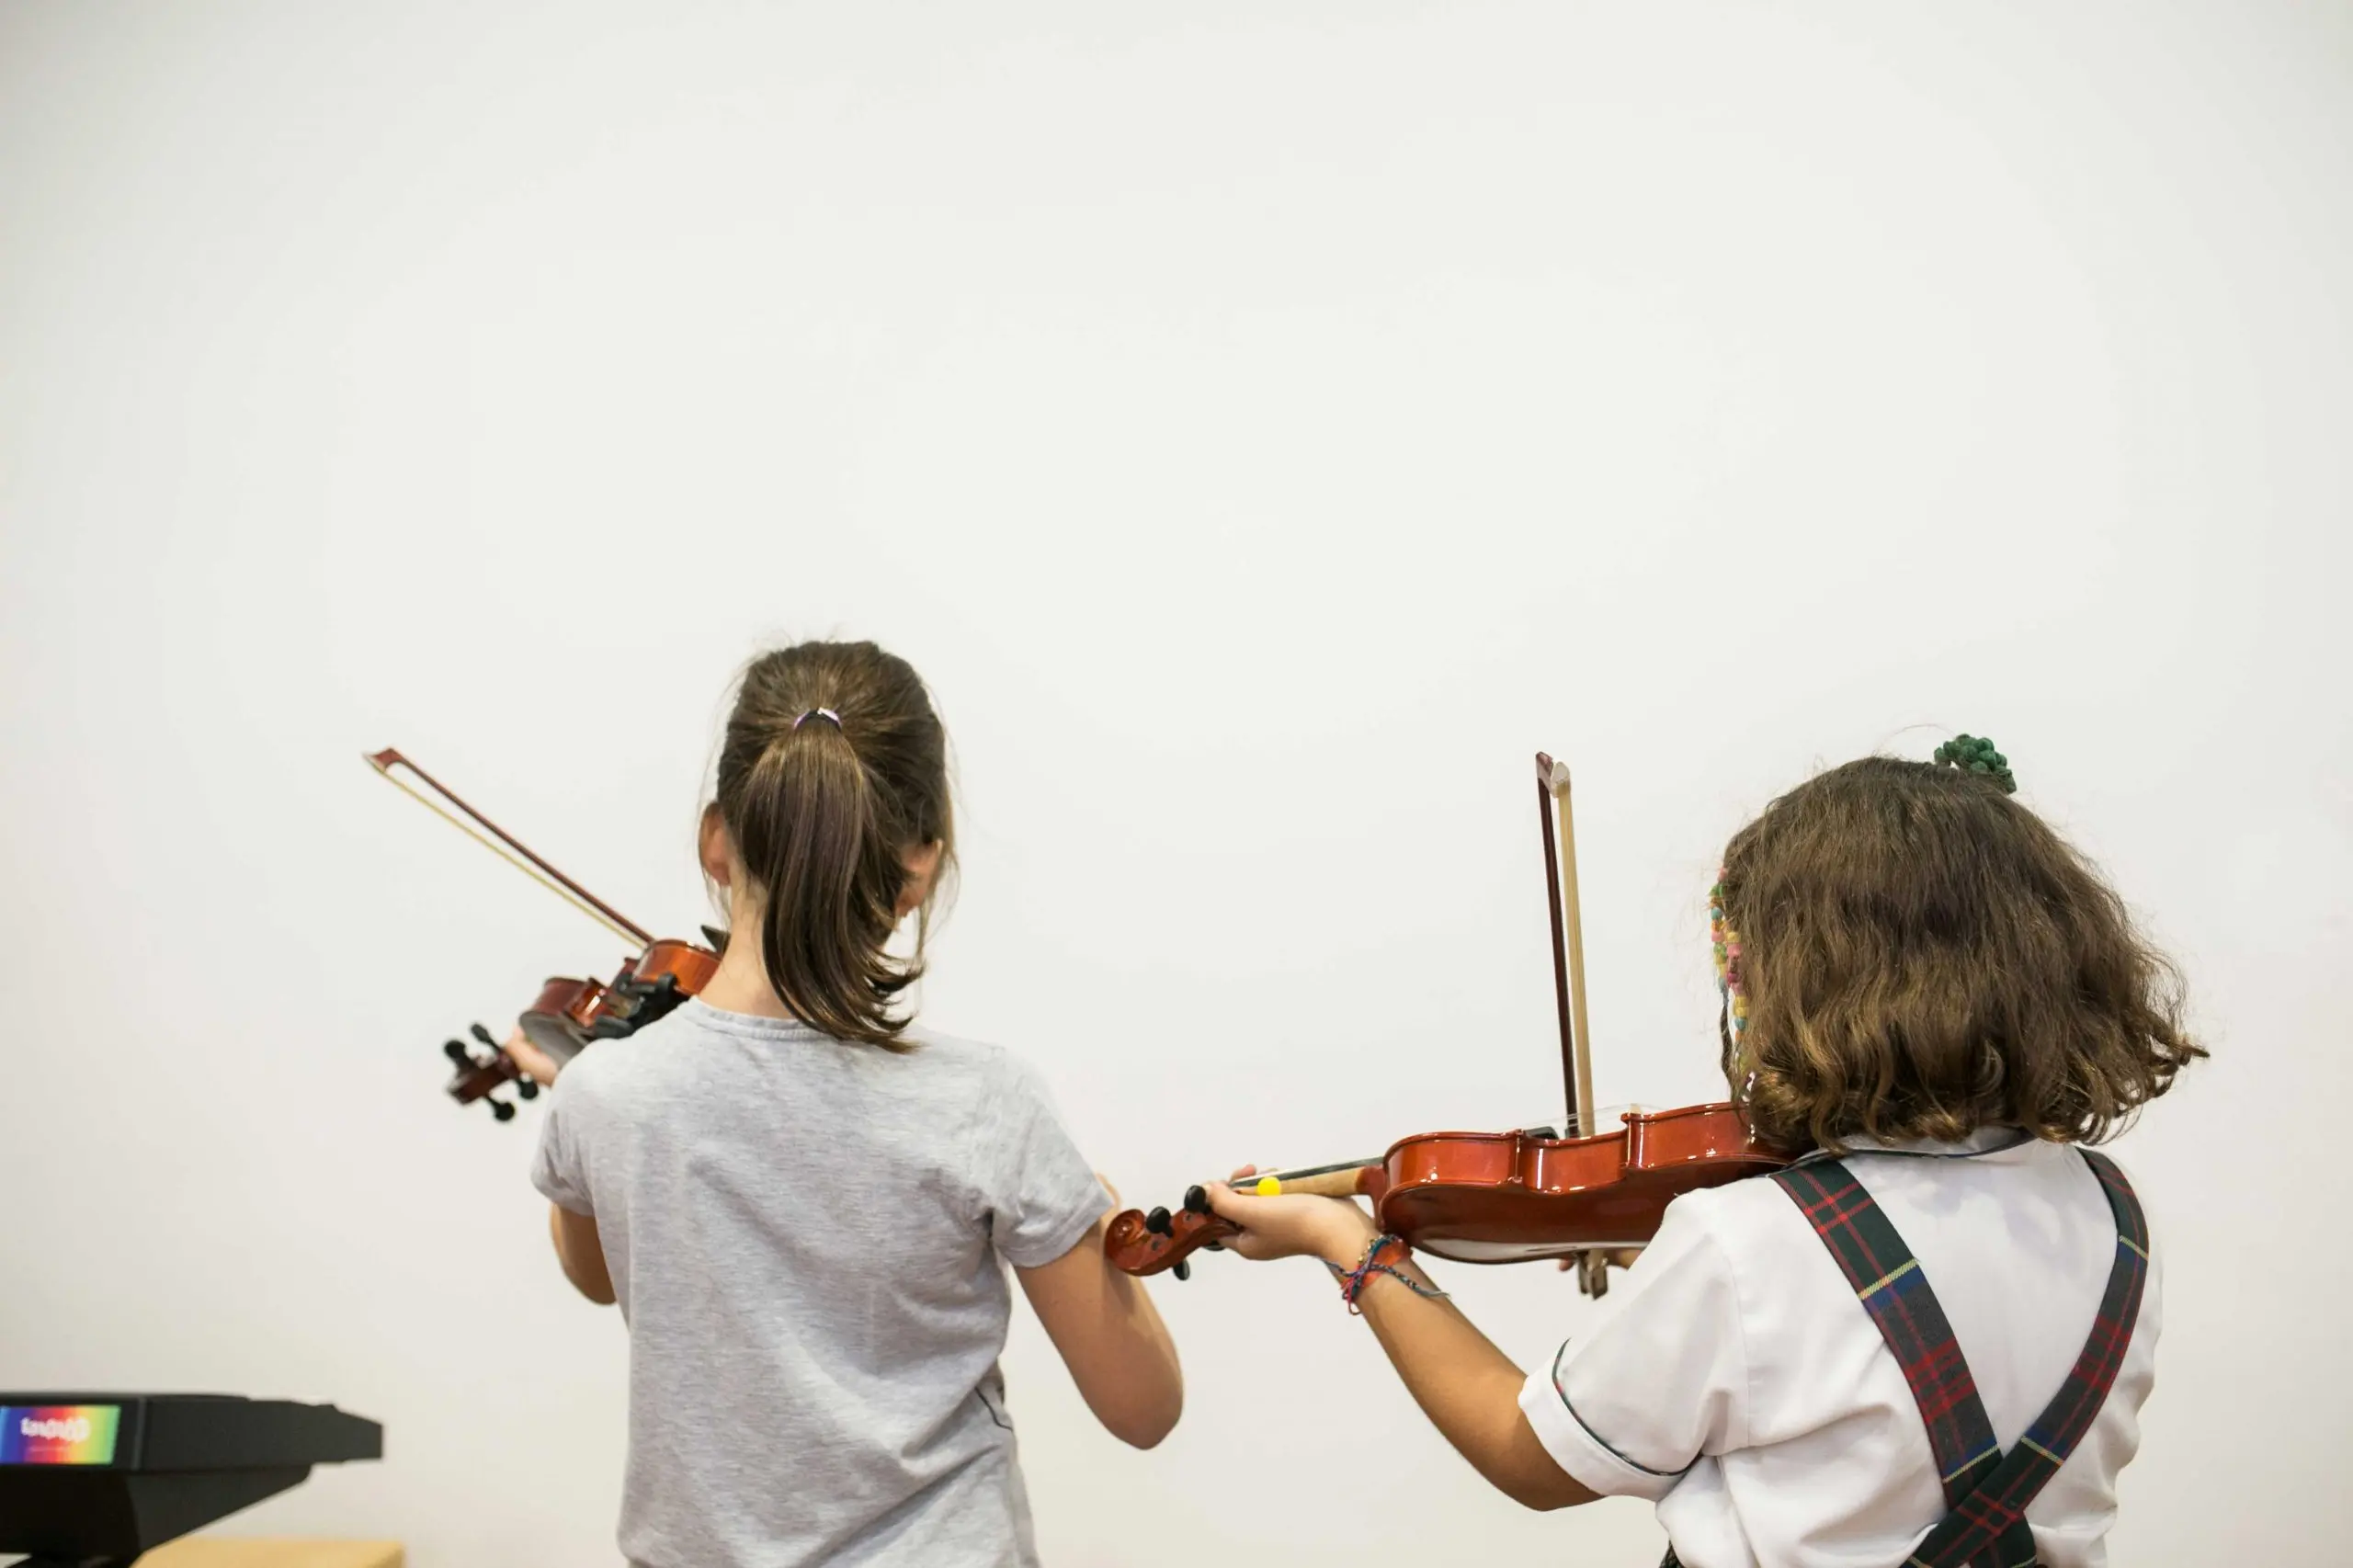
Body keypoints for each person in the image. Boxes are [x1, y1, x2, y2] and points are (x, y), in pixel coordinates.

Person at [1207, 737, 2200, 1568]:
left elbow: (1527, 1454)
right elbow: (1884, 1359)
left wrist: (1349, 1244)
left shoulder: (1743, 1246)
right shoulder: (2112, 1211)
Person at [507, 640, 1182, 1568]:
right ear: (919, 869)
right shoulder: (988, 1103)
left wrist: (590, 1100)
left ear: (716, 838)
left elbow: (595, 1273)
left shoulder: (607, 1090)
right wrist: (1100, 1228)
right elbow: (1143, 1407)